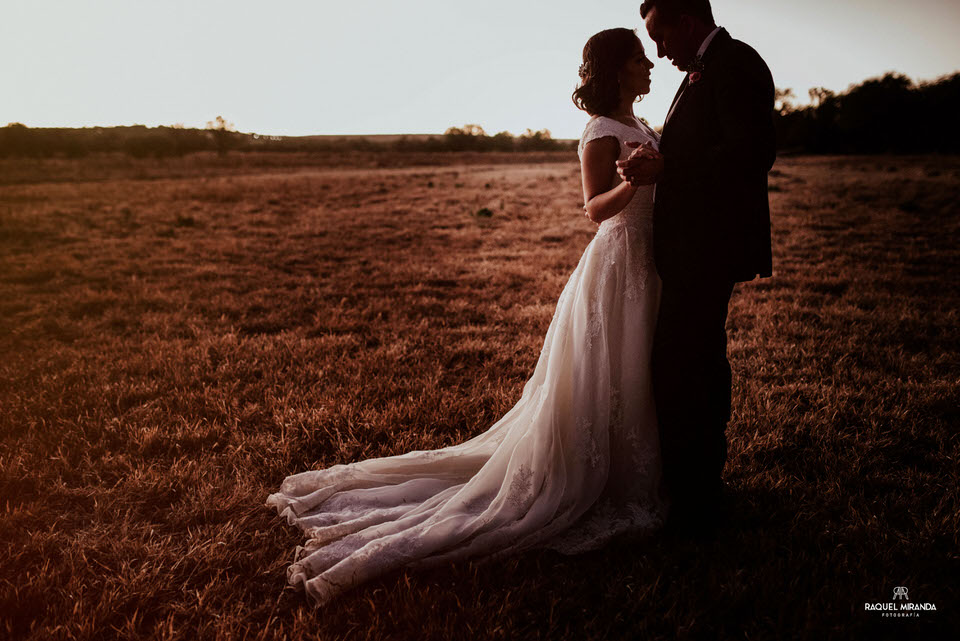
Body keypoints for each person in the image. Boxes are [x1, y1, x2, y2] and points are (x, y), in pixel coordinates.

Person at [266, 28, 668, 606]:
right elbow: (592, 208)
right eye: (638, 58)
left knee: (636, 371)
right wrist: (631, 182)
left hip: (649, 260)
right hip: (618, 258)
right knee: (610, 369)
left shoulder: (644, 127)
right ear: (616, 70)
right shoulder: (602, 133)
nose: (648, 65)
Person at [617, 0, 775, 536]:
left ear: (687, 23)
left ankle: (698, 496)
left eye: (661, 37)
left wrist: (669, 166)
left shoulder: (738, 64)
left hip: (712, 244)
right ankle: (695, 485)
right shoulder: (702, 70)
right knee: (692, 361)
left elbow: (752, 152)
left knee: (688, 365)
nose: (659, 51)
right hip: (692, 247)